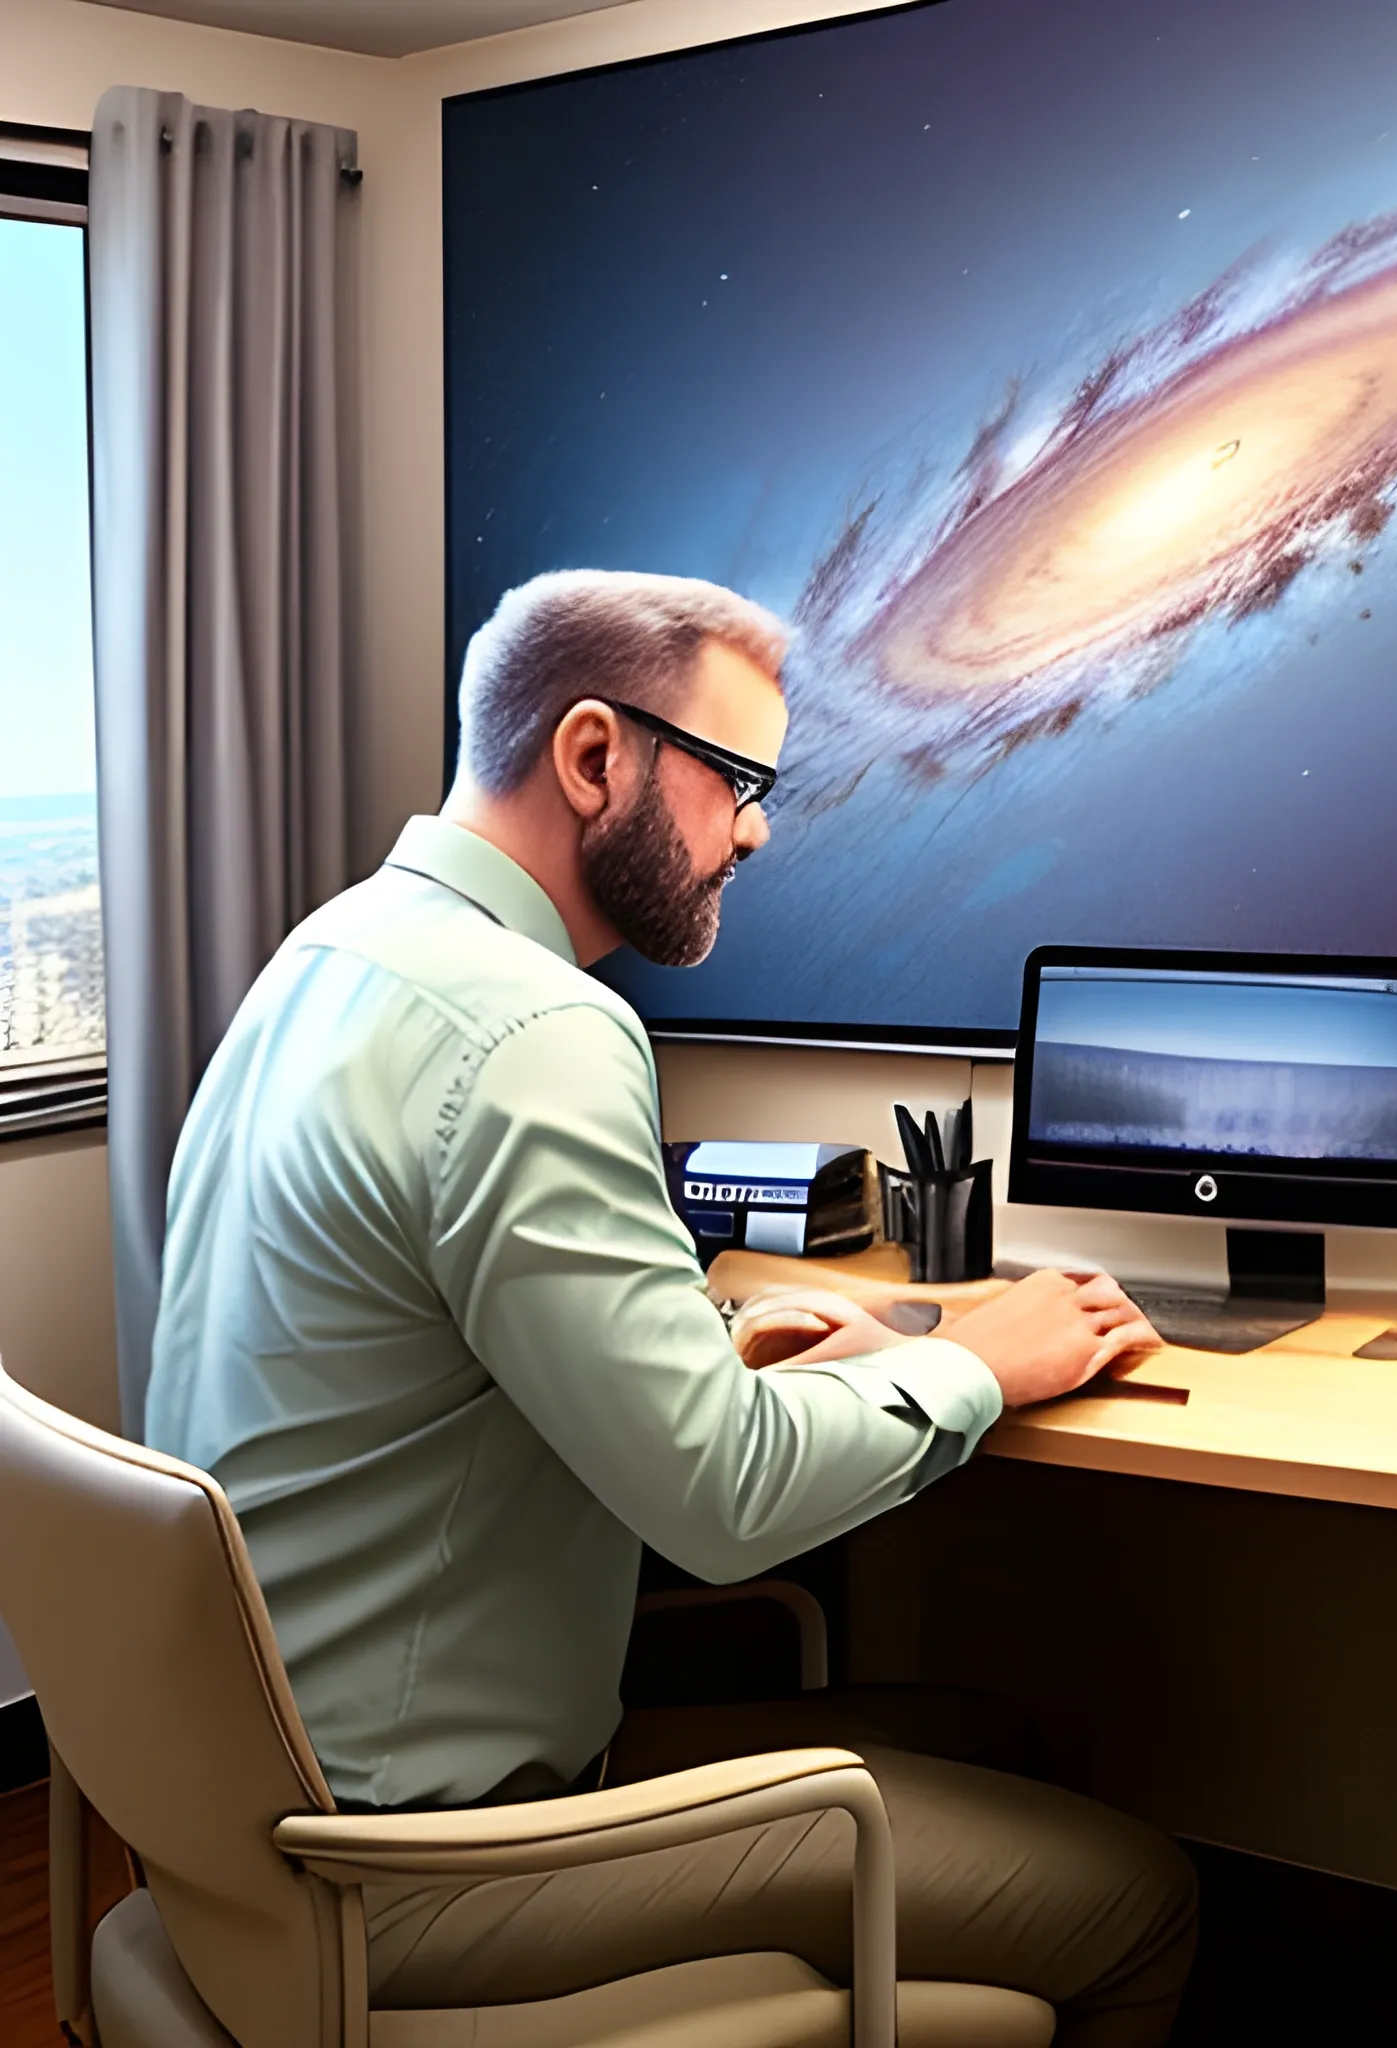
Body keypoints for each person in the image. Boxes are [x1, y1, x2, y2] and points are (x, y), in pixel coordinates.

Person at [145, 570, 1195, 2045]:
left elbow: (438, 1337)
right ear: (593, 758)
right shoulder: (539, 1028)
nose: (756, 828)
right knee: (1140, 1895)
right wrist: (977, 1358)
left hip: (243, 1805)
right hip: (414, 1865)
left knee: (994, 1736)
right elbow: (720, 1504)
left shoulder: (332, 957)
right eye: (738, 779)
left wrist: (721, 1347)